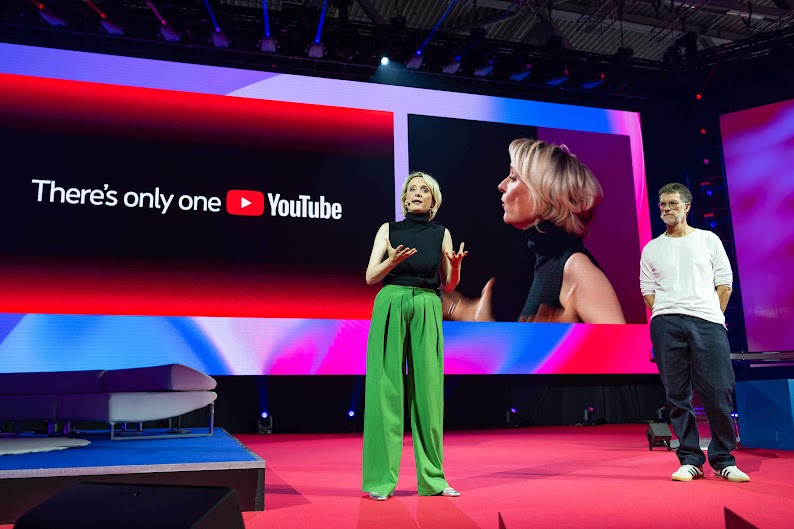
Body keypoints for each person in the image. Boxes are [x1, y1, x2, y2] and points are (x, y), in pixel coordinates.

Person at [362, 171, 468, 501]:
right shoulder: (388, 230)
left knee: (429, 392)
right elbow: (369, 277)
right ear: (405, 199)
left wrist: (456, 266)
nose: (417, 193)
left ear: (433, 200)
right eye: (412, 189)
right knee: (385, 390)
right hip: (391, 301)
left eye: (424, 189)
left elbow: (449, 284)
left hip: (426, 305)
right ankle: (380, 481)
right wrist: (391, 261)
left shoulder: (441, 233)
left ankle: (433, 480)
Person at [444, 138, 625, 323]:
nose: (502, 185)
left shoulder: (575, 266)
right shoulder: (546, 263)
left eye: (513, 178)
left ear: (544, 192)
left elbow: (628, 349)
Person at [640, 182, 749, 482]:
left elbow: (724, 283)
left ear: (687, 207)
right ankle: (690, 459)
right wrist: (665, 312)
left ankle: (724, 459)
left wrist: (711, 313)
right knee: (677, 396)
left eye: (672, 204)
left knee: (718, 393)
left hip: (708, 322)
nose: (666, 209)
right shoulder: (652, 247)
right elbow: (647, 291)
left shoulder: (708, 240)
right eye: (662, 205)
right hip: (666, 324)